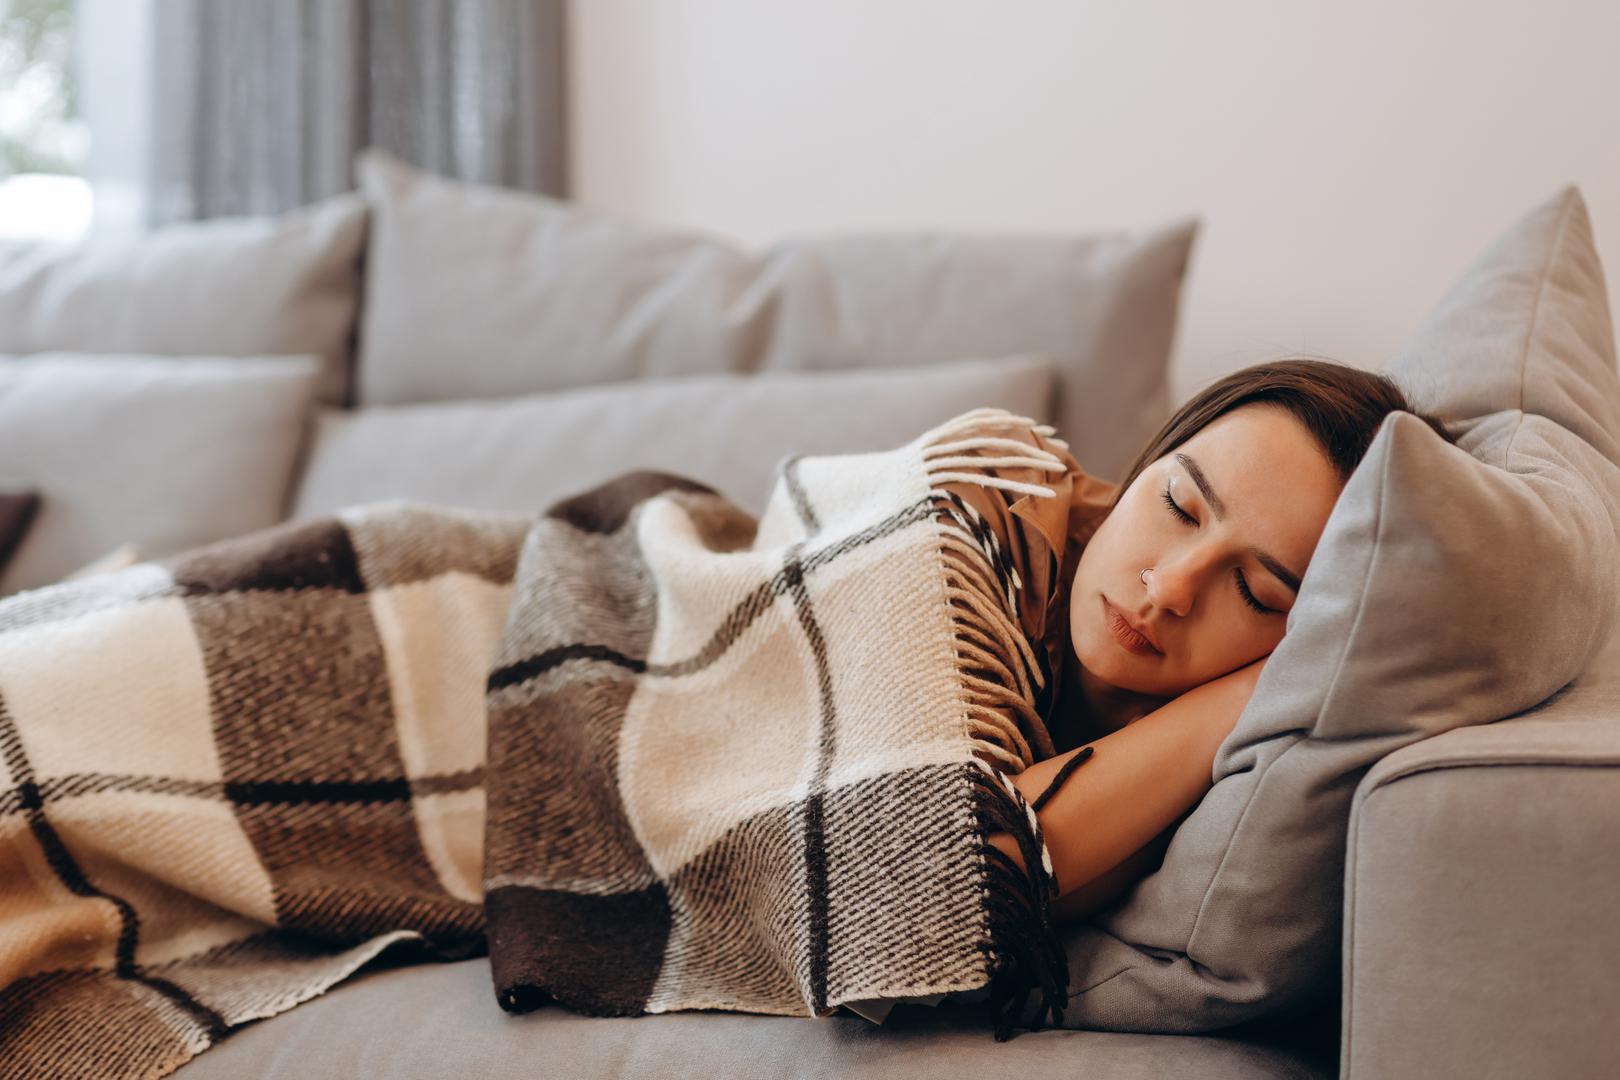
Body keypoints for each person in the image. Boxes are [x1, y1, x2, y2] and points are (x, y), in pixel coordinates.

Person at [967, 356, 1461, 923]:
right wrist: (1240, 694)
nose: (1172, 586)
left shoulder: (1233, 787)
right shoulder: (986, 498)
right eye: (1179, 504)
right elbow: (913, 889)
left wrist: (1257, 694)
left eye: (1256, 594)